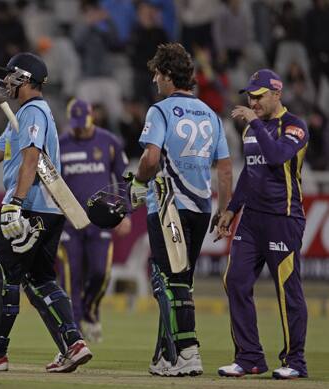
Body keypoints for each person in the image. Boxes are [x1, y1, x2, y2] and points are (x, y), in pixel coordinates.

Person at [0, 52, 92, 373]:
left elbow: (31, 158)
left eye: (11, 76)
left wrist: (16, 203)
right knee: (40, 280)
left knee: (2, 278)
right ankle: (73, 344)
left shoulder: (33, 112)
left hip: (28, 207)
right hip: (49, 209)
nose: (6, 81)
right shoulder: (23, 115)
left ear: (25, 79)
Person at [124, 43, 232, 376]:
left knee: (167, 281)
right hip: (201, 208)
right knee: (181, 281)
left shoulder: (160, 110)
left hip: (170, 206)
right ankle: (164, 356)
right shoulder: (211, 114)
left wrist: (139, 182)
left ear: (169, 75)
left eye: (157, 73)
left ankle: (187, 352)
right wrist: (225, 211)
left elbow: (151, 158)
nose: (155, 79)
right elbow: (226, 169)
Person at [216, 69, 309, 380]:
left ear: (277, 94)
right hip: (252, 220)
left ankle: (295, 361)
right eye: (249, 96)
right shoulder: (250, 131)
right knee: (235, 280)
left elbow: (276, 156)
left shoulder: (295, 126)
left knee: (288, 291)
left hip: (283, 219)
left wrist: (255, 122)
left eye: (258, 96)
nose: (252, 102)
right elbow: (249, 172)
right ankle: (250, 357)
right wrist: (231, 209)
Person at [57, 98, 131, 343]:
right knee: (71, 276)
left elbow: (124, 178)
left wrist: (125, 212)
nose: (79, 129)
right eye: (75, 124)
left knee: (101, 272)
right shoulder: (60, 144)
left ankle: (90, 308)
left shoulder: (108, 142)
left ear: (93, 118)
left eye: (83, 124)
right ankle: (75, 333)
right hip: (68, 221)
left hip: (100, 220)